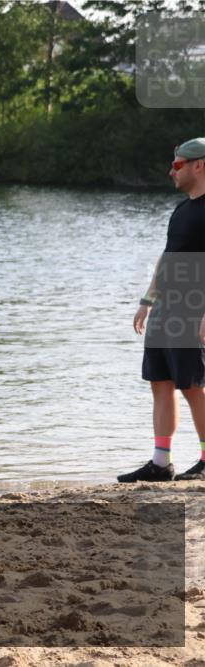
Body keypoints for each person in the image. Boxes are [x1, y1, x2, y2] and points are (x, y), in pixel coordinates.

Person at [120, 137, 205, 482]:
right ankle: (160, 462)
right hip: (166, 308)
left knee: (193, 386)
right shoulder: (183, 209)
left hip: (193, 307)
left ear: (199, 165)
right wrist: (148, 300)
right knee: (160, 382)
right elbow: (168, 256)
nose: (172, 170)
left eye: (178, 164)